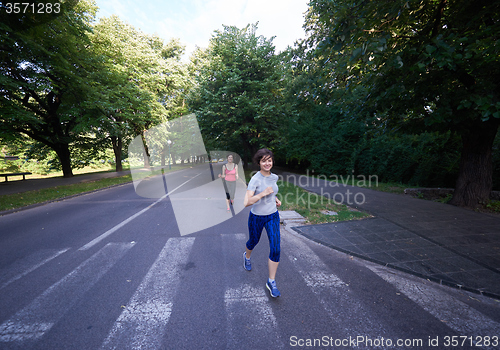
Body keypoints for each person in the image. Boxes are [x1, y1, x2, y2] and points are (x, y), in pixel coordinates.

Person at [243, 148, 282, 298]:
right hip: (257, 217)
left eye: (269, 160)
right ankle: (246, 257)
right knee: (253, 241)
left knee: (276, 248)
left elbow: (273, 192)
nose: (267, 163)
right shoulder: (255, 179)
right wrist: (263, 193)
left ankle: (271, 281)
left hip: (272, 216)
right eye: (264, 160)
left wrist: (275, 199)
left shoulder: (275, 177)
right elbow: (247, 202)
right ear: (259, 162)